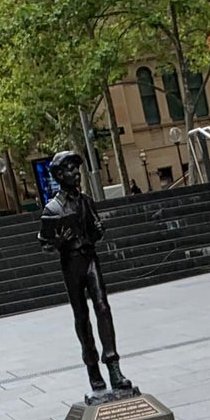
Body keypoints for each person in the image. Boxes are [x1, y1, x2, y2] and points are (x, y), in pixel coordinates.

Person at [36, 149, 134, 397]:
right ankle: (92, 369)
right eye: (69, 169)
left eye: (76, 168)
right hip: (71, 263)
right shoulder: (52, 208)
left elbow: (95, 228)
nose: (75, 173)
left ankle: (113, 366)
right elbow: (45, 243)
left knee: (103, 307)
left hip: (90, 257)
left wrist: (99, 229)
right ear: (58, 175)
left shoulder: (85, 201)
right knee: (81, 315)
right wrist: (57, 241)